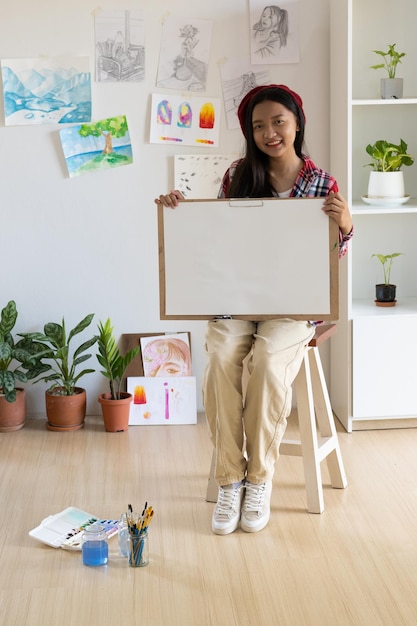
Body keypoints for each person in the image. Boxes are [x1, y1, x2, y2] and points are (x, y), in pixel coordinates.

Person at [155, 84, 353, 535]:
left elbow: (331, 255)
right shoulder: (236, 175)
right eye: (259, 126)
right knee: (222, 357)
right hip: (237, 301)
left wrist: (345, 224)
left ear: (297, 123)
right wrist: (180, 213)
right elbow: (216, 240)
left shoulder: (322, 182)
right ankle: (230, 480)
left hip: (293, 307)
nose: (270, 133)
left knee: (266, 360)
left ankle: (259, 479)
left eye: (278, 122)